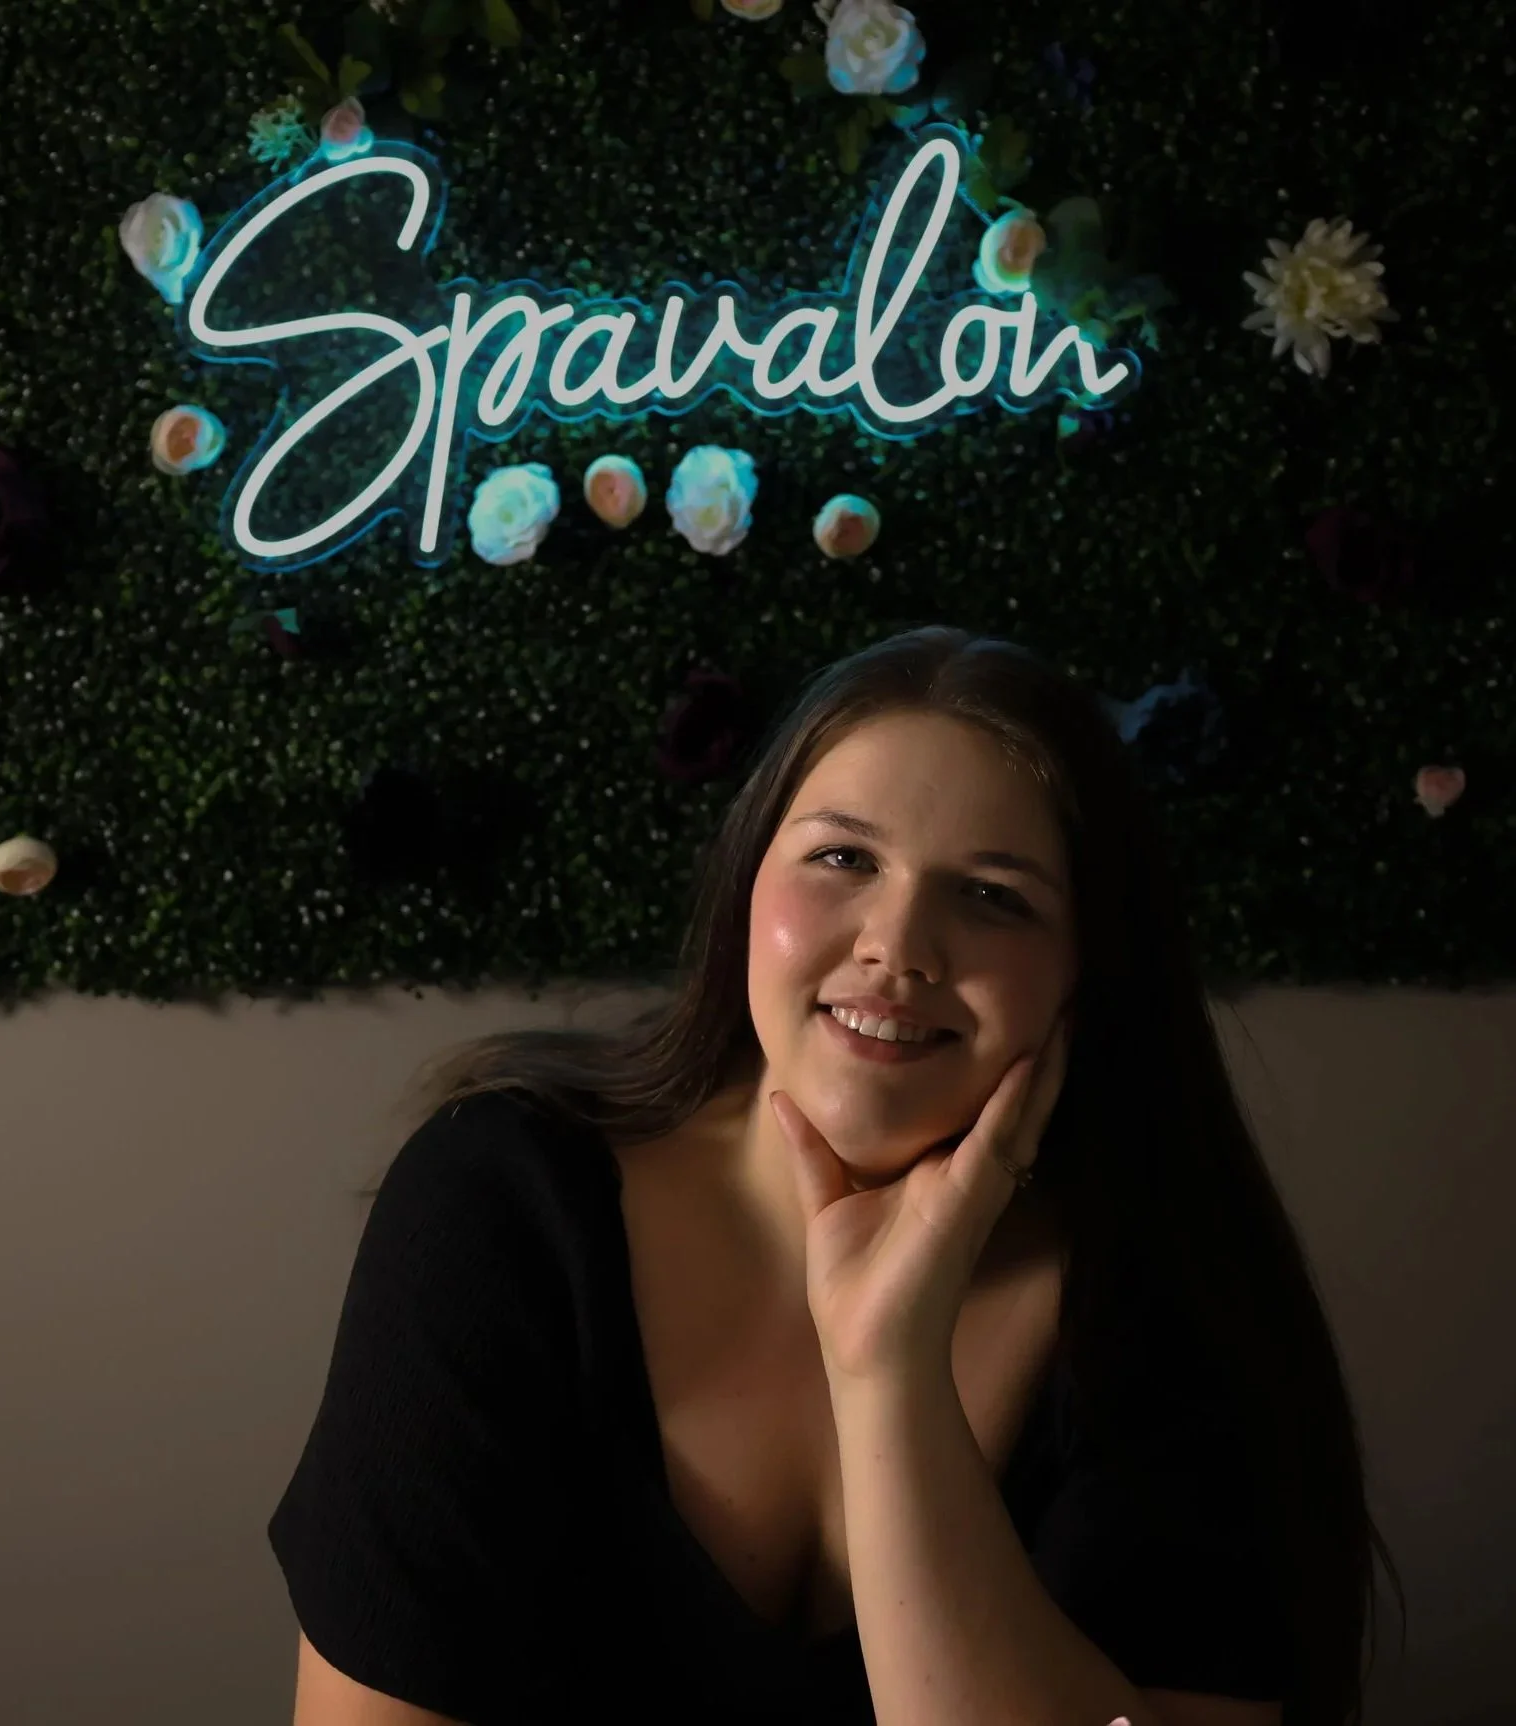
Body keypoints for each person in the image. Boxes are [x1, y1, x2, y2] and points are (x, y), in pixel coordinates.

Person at [269, 624, 1405, 1726]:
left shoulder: (1168, 1287)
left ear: (1083, 974)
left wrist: (888, 1369)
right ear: (745, 887)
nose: (897, 944)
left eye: (993, 895)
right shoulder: (499, 1203)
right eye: (842, 858)